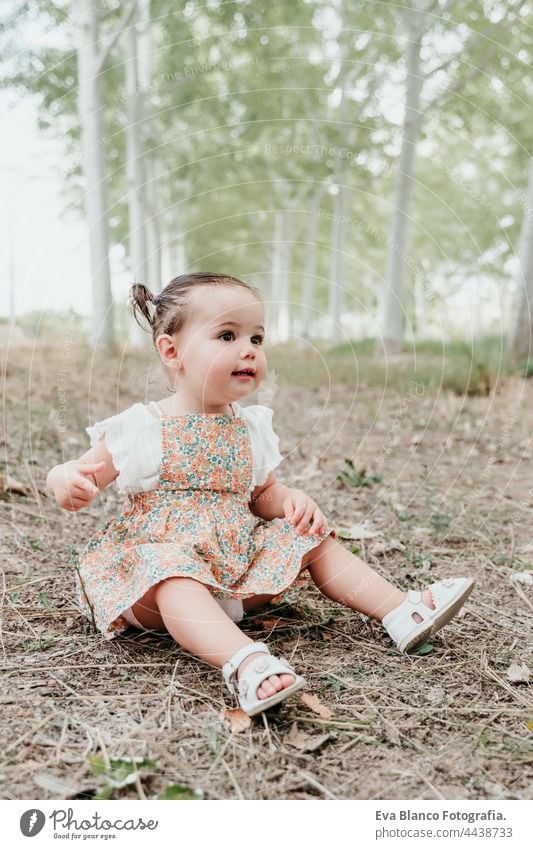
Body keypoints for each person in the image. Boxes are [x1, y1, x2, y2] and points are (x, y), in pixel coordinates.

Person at [46, 272, 475, 718]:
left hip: (234, 574)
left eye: (257, 337)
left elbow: (261, 494)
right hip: (152, 587)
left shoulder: (249, 426)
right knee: (172, 573)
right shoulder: (142, 427)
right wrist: (65, 481)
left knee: (308, 538)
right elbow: (81, 472)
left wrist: (289, 501)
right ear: (172, 352)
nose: (248, 349)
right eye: (227, 336)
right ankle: (246, 663)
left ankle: (400, 611)